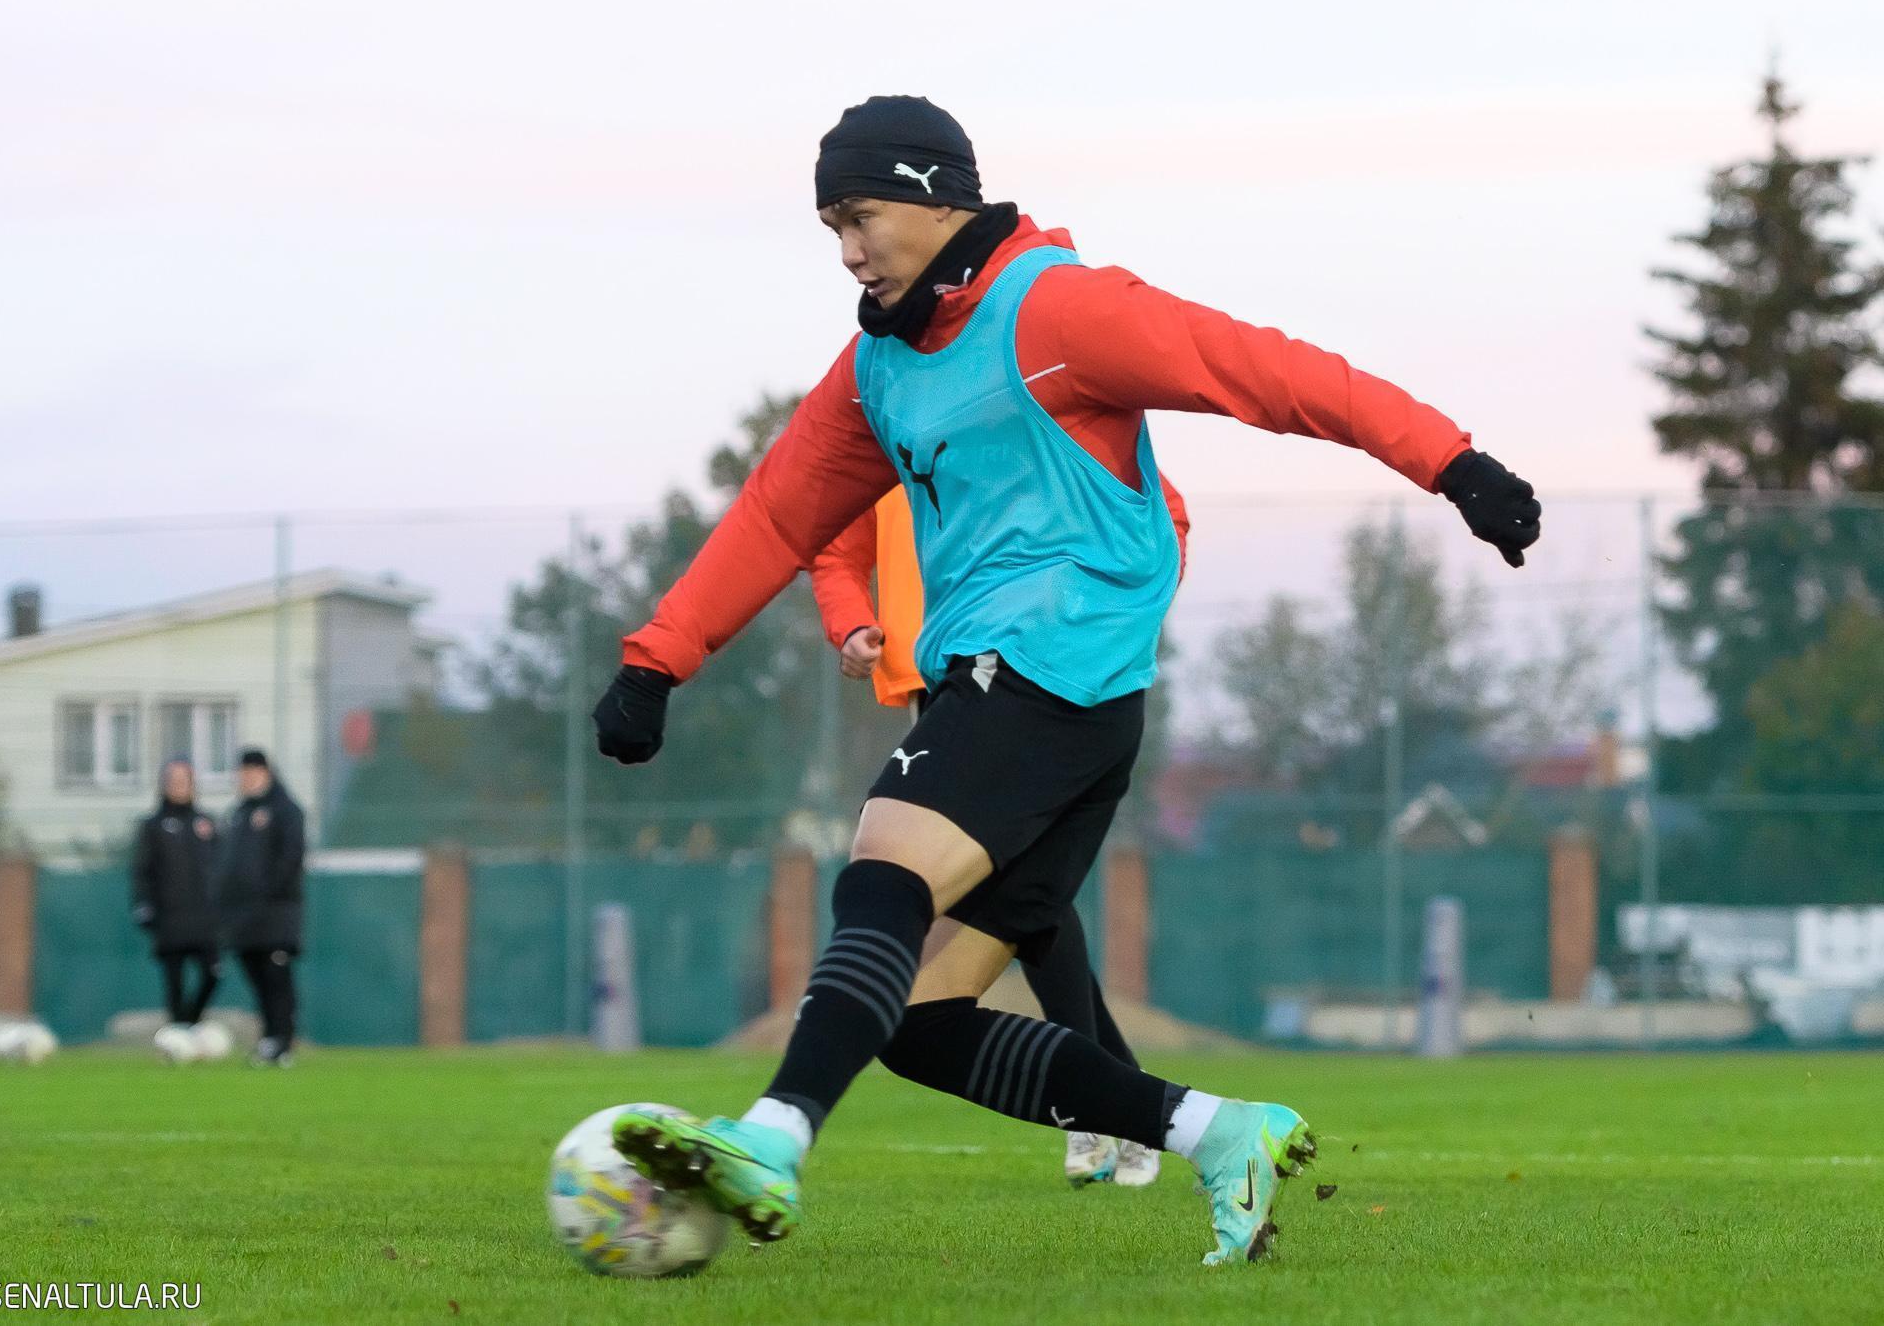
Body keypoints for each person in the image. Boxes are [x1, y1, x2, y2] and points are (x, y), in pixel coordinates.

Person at [593, 96, 1540, 1265]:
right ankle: (1216, 1130)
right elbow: (779, 512)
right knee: (921, 1022)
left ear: (933, 197)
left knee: (881, 870)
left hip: (1046, 670)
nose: (845, 249)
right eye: (829, 226)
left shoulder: (1062, 309)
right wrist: (657, 660)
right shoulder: (879, 365)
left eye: (860, 216)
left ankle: (774, 1134)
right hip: (1039, 697)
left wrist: (1451, 462)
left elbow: (1266, 371)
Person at [809, 485, 1178, 1188]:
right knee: (1024, 890)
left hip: (1040, 665)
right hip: (940, 674)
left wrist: (1124, 607)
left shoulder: (1032, 425)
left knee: (1022, 887)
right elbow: (836, 546)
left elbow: (1161, 507)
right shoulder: (877, 430)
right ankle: (1116, 1098)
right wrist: (850, 621)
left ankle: (1106, 1107)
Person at [218, 747, 306, 1066]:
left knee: (276, 976)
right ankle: (269, 1037)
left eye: (252, 773)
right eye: (242, 773)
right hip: (244, 916)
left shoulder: (286, 810)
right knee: (256, 977)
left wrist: (268, 893)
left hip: (276, 913)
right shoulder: (239, 813)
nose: (246, 779)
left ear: (266, 773)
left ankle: (283, 1040)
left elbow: (291, 858)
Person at [131, 759, 223, 1033]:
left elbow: (222, 867)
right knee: (174, 980)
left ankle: (191, 1022)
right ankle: (178, 1031)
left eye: (184, 780)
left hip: (204, 919)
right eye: (173, 780)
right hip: (170, 917)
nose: (179, 786)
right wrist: (144, 905)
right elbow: (142, 870)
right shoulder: (153, 826)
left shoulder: (206, 824)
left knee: (213, 973)